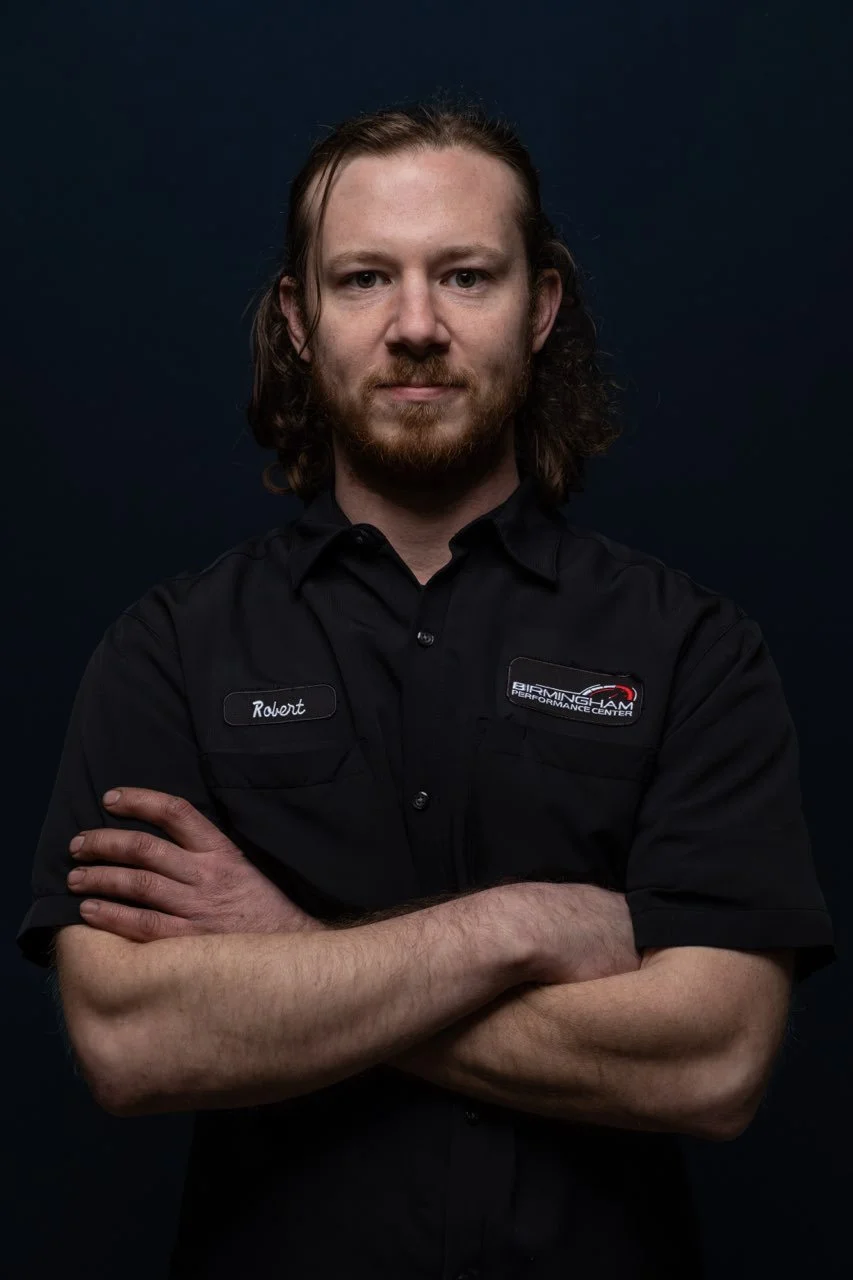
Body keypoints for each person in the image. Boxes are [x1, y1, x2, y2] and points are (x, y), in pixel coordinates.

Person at [17, 101, 835, 1280]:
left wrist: (290, 955)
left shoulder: (694, 649)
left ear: (539, 305)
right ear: (299, 319)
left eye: (463, 274)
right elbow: (131, 1038)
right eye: (362, 280)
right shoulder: (169, 648)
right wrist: (522, 926)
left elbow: (710, 1062)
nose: (414, 326)